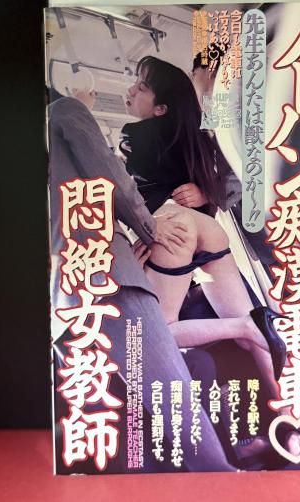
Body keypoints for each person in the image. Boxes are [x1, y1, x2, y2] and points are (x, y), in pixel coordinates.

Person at [119, 56, 300, 456]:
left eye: (141, 86)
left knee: (163, 332)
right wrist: (207, 190)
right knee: (256, 340)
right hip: (208, 230)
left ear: (161, 108)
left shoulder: (132, 134)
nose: (131, 91)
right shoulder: (196, 137)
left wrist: (144, 228)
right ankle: (293, 422)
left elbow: (124, 194)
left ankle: (247, 326)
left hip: (172, 232)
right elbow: (224, 156)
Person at [48, 91, 236, 472]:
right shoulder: (63, 110)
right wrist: (150, 228)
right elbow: (107, 173)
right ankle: (227, 482)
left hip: (65, 304)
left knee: (119, 427)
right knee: (177, 406)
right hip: (105, 275)